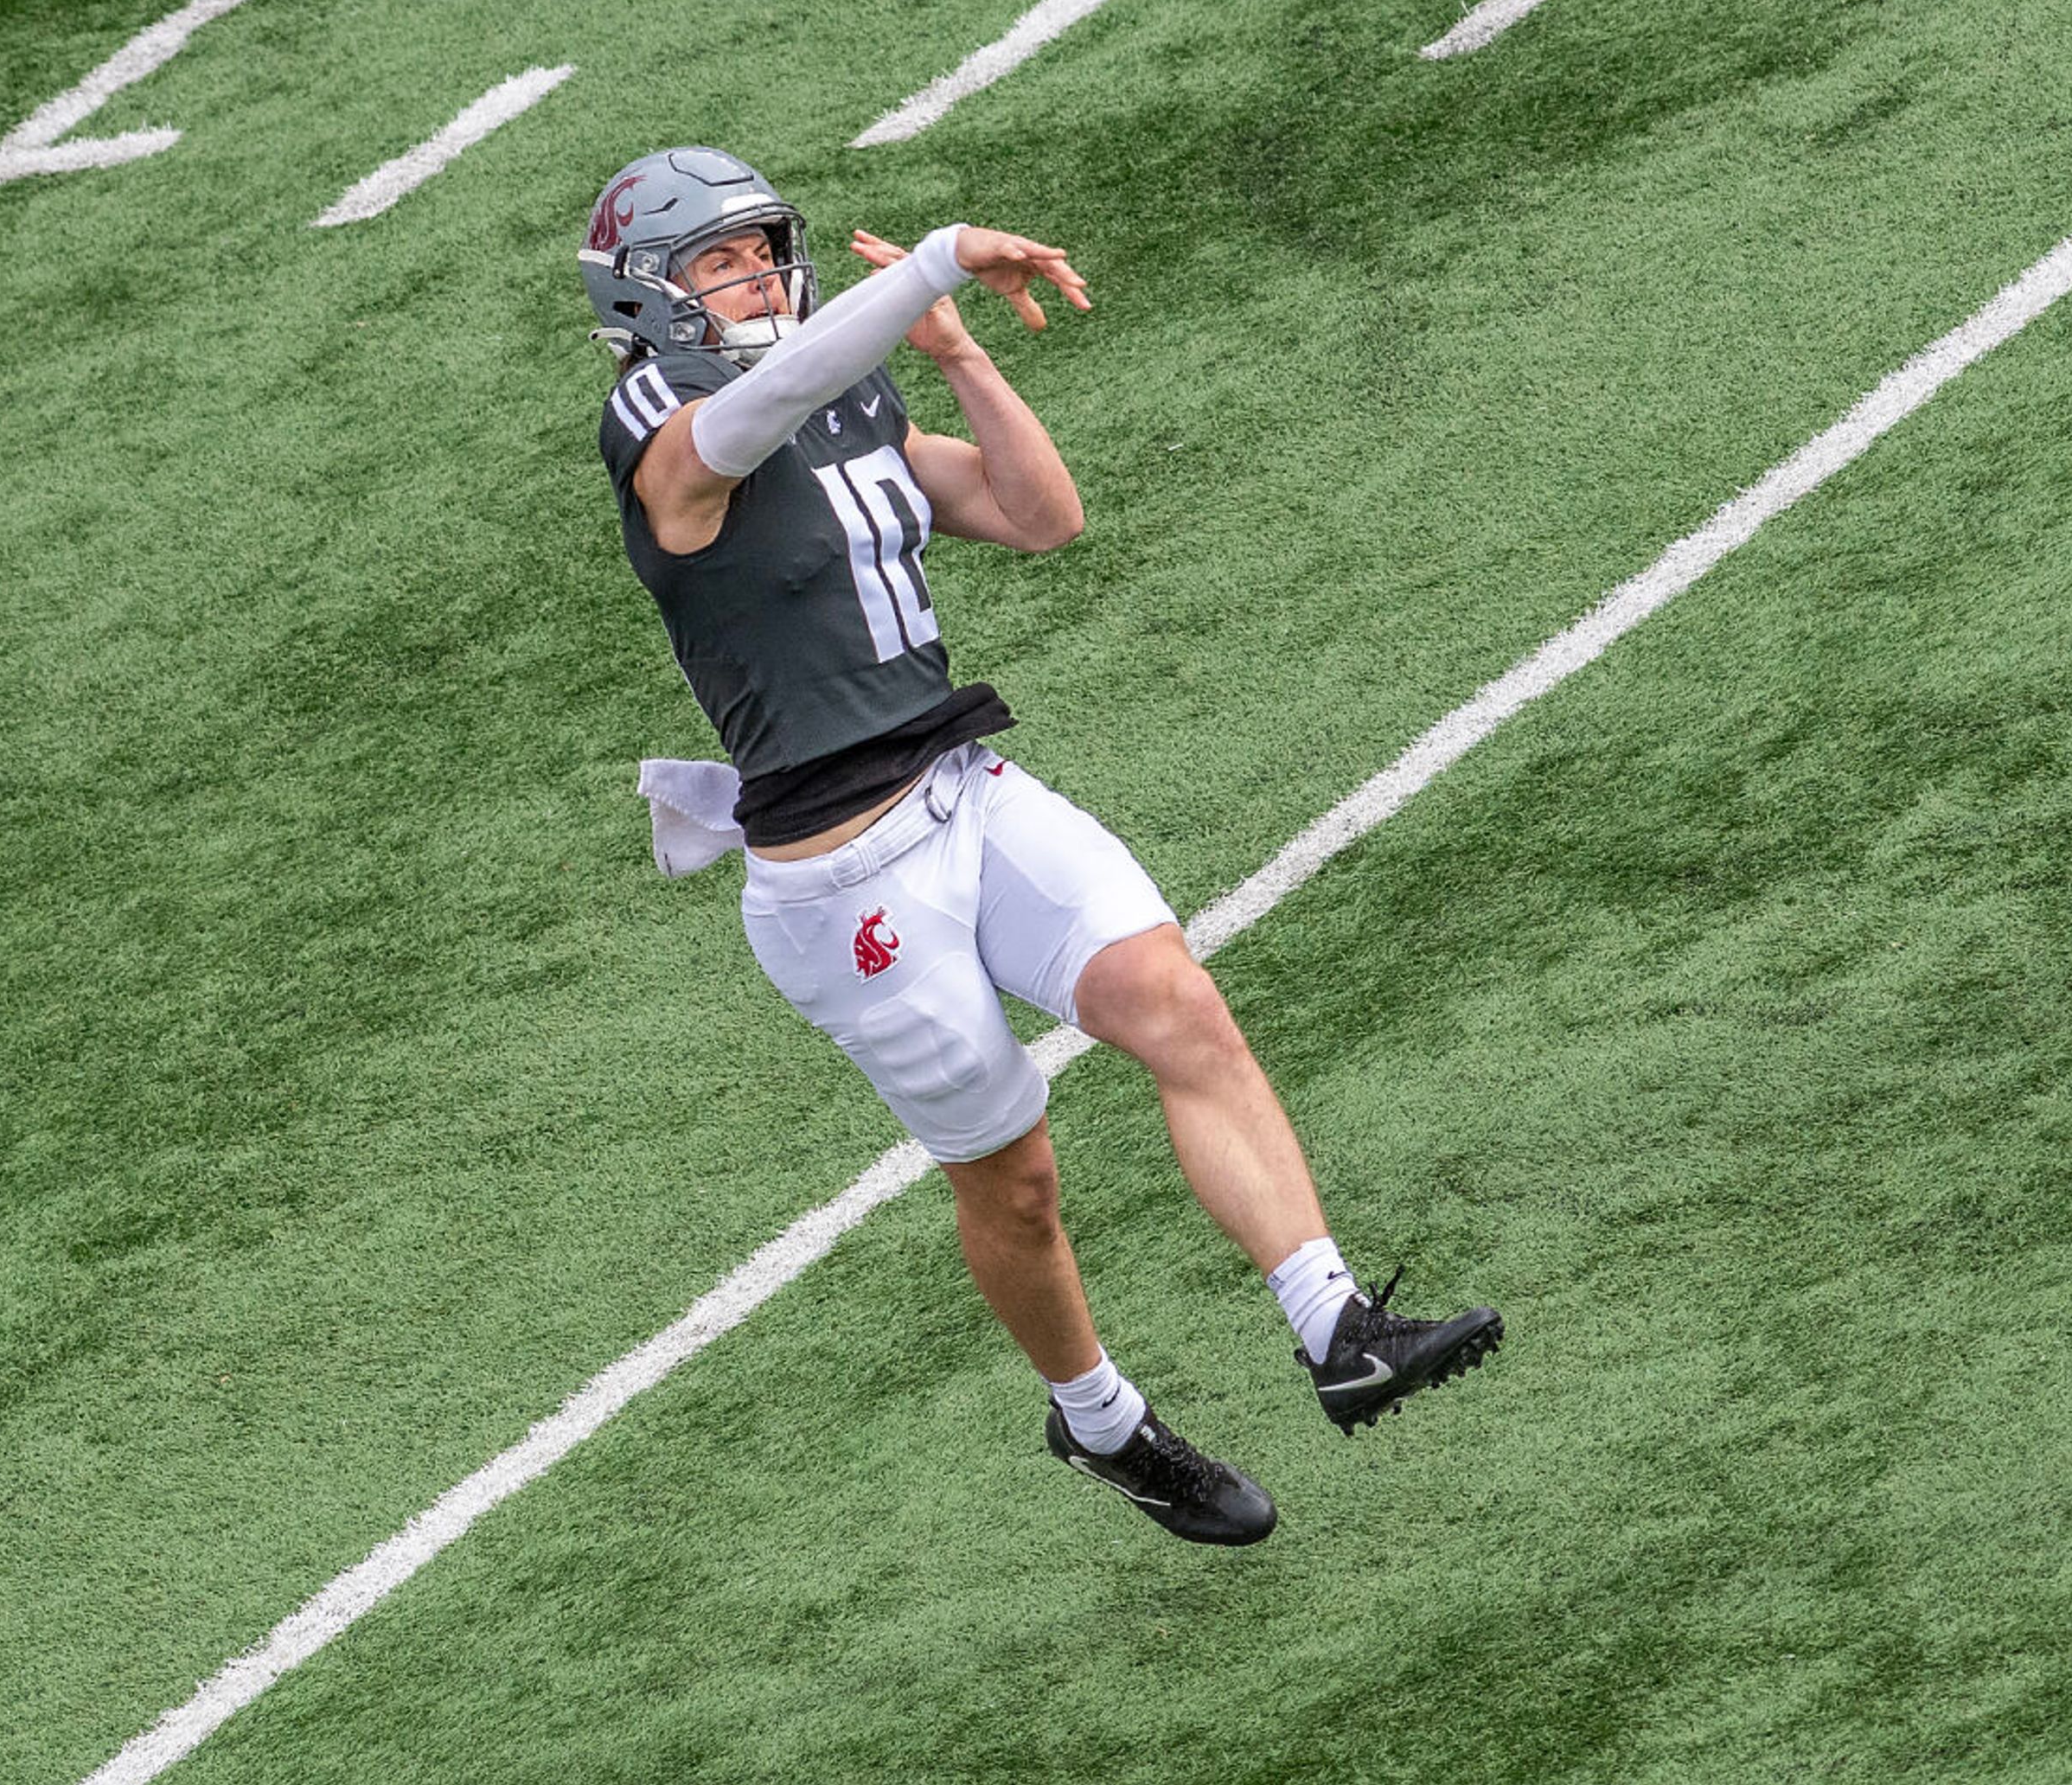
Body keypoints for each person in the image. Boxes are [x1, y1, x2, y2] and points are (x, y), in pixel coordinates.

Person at [585, 148, 1501, 1545]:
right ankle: (1104, 1423)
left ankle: (1339, 1327)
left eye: (766, 249)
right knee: (1015, 1180)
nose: (760, 277)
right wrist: (938, 258)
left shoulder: (845, 384)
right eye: (721, 260)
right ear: (647, 297)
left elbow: (1038, 515)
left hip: (960, 783)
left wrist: (952, 349)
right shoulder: (658, 415)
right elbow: (736, 431)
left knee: (1178, 1003)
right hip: (841, 879)